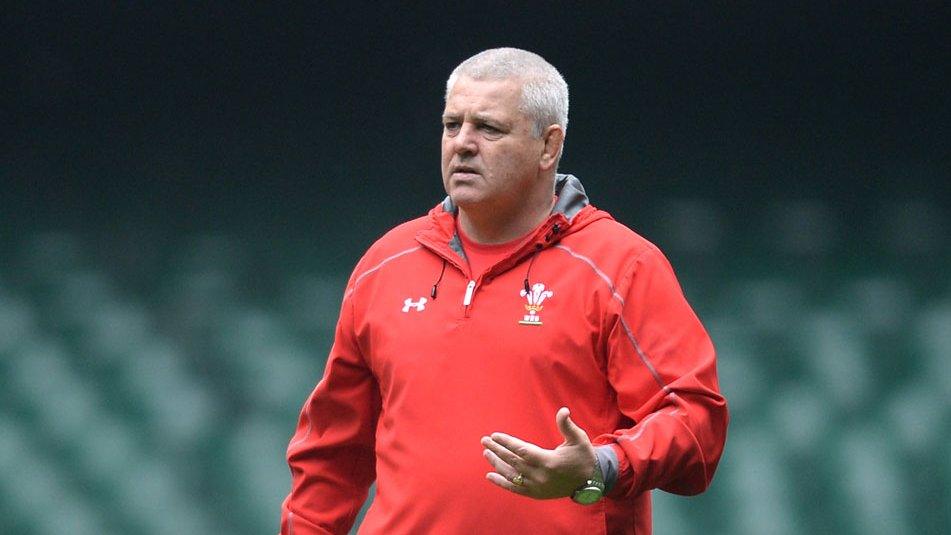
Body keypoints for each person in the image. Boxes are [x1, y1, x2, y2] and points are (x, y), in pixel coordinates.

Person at [280, 47, 728, 535]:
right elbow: (331, 454)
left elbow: (695, 423)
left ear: (548, 146)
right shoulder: (385, 264)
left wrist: (600, 466)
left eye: (488, 129)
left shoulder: (621, 266)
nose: (463, 144)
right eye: (453, 125)